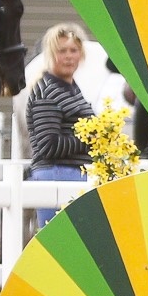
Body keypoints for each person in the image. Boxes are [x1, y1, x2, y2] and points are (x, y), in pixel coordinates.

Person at [25, 24, 96, 228]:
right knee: (59, 244)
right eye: (62, 51)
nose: (68, 56)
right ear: (51, 54)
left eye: (73, 50)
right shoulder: (47, 92)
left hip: (73, 174)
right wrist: (91, 139)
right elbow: (48, 145)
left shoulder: (71, 88)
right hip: (56, 175)